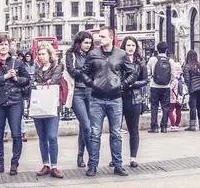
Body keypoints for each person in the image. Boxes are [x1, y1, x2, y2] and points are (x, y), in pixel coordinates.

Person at [81, 26, 137, 177]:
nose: (100, 39)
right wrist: (92, 84)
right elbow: (83, 73)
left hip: (115, 98)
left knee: (116, 133)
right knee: (95, 134)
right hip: (96, 98)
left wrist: (122, 85)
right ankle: (92, 165)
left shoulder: (121, 54)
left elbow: (132, 73)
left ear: (112, 38)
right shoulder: (93, 54)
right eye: (99, 36)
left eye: (103, 36)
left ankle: (118, 165)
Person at [0, 34, 30, 176]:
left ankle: (14, 164)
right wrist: (5, 77)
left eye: (6, 44)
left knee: (16, 133)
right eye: (1, 45)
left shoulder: (17, 62)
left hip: (14, 101)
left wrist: (16, 78)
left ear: (9, 46)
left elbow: (27, 80)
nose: (4, 47)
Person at [32, 44, 64, 179]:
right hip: (39, 106)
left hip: (52, 106)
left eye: (43, 54)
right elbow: (32, 82)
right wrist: (40, 83)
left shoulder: (57, 67)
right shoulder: (37, 69)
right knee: (42, 137)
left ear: (50, 55)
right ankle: (46, 164)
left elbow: (55, 80)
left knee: (52, 136)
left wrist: (40, 84)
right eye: (39, 54)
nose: (41, 56)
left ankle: (54, 166)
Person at [65, 31, 94, 167]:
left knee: (85, 127)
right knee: (87, 126)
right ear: (79, 42)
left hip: (91, 92)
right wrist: (86, 72)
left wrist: (82, 72)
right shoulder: (71, 54)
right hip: (77, 92)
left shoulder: (92, 54)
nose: (88, 45)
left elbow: (96, 71)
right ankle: (93, 156)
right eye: (85, 42)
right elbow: (72, 72)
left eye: (89, 43)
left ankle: (80, 156)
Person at [120, 36, 148, 167]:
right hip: (119, 97)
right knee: (116, 130)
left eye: (133, 45)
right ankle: (116, 157)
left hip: (135, 98)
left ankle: (133, 157)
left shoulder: (141, 62)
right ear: (124, 47)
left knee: (134, 129)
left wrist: (132, 84)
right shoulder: (119, 61)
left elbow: (145, 81)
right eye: (128, 45)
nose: (130, 48)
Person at [146, 42, 173, 133]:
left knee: (154, 106)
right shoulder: (170, 60)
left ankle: (154, 127)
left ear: (157, 50)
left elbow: (147, 72)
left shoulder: (152, 59)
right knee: (165, 107)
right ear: (166, 50)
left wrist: (151, 80)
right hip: (166, 87)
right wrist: (168, 81)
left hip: (154, 86)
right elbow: (173, 75)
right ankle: (164, 127)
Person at [182, 50, 200, 131]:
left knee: (193, 107)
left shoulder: (187, 66)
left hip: (193, 88)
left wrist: (188, 89)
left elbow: (187, 79)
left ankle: (192, 126)